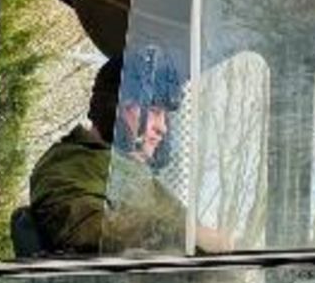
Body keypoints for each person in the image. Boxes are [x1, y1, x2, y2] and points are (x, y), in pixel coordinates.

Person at [26, 53, 229, 256]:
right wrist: (184, 236)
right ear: (116, 106)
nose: (163, 128)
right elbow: (90, 229)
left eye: (166, 116)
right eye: (154, 111)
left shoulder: (140, 177)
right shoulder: (68, 166)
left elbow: (198, 238)